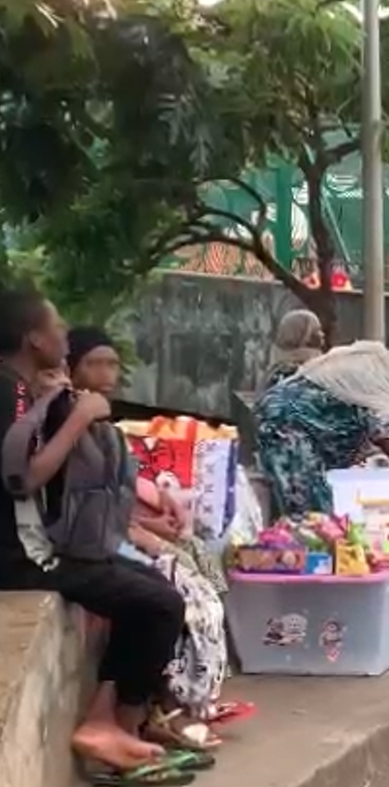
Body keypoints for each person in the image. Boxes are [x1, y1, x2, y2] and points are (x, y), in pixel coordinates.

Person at [0, 288, 192, 778]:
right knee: (159, 604)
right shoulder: (7, 392)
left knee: (155, 590)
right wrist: (78, 418)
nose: (65, 335)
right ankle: (114, 734)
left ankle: (111, 722)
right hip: (20, 557)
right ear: (34, 339)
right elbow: (22, 476)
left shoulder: (23, 389)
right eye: (58, 327)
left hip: (38, 544)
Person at [66, 327, 228, 751]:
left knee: (201, 587)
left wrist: (160, 513)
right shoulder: (68, 421)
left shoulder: (105, 427)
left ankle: (163, 710)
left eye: (111, 363)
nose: (104, 372)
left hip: (113, 538)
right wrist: (143, 535)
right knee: (177, 596)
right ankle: (139, 715)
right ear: (71, 368)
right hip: (93, 546)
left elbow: (120, 492)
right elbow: (85, 503)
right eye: (93, 363)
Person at [253, 326, 389, 518]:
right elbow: (388, 436)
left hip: (291, 423)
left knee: (313, 506)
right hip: (287, 426)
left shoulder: (372, 361)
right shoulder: (379, 375)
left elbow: (358, 421)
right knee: (311, 511)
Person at [263, 309, 325, 391]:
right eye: (317, 330)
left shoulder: (273, 370)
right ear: (304, 335)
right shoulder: (294, 373)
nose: (322, 334)